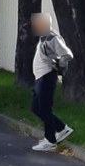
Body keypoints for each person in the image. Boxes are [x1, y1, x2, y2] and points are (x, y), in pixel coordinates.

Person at [30, 13, 75, 151]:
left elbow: (67, 54)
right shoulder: (44, 37)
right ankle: (61, 128)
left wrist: (58, 66)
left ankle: (50, 140)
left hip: (47, 76)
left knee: (44, 108)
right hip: (41, 78)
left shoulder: (52, 38)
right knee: (35, 107)